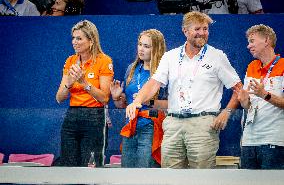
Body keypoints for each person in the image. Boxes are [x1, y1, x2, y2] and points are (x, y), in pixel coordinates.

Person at [126, 11, 242, 169]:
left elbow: (238, 89)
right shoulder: (170, 56)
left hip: (203, 125)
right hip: (173, 123)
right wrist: (137, 101)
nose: (202, 33)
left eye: (205, 29)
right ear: (185, 31)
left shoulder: (217, 56)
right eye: (197, 29)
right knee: (169, 176)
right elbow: (154, 83)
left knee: (202, 178)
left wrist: (226, 112)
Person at [56, 20, 114, 167]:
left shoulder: (104, 60)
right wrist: (69, 83)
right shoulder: (70, 61)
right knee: (68, 165)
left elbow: (105, 98)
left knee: (89, 166)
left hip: (95, 117)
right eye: (73, 38)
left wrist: (84, 83)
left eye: (79, 38)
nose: (74, 42)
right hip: (72, 116)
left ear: (91, 41)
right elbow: (59, 98)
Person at [110, 29, 168, 168]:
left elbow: (172, 104)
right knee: (127, 171)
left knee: (145, 172)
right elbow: (124, 105)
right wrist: (117, 97)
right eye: (140, 44)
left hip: (151, 126)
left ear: (157, 48)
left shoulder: (164, 71)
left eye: (146, 46)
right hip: (130, 126)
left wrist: (149, 101)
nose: (141, 49)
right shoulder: (132, 68)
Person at [236, 24, 284, 169]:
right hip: (249, 141)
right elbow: (248, 105)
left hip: (273, 141)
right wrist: (244, 101)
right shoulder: (251, 66)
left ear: (267, 40)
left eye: (252, 41)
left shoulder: (282, 66)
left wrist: (264, 94)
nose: (248, 46)